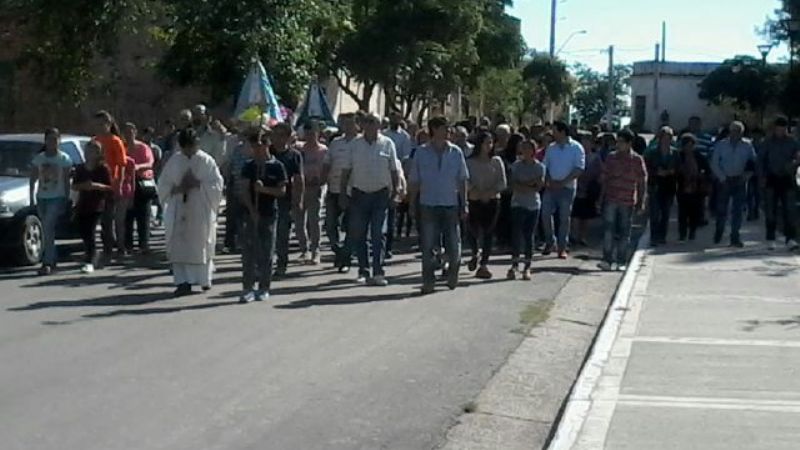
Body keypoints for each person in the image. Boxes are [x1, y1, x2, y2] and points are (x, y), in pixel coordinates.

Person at [157, 127, 224, 297]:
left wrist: (198, 184)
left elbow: (217, 185)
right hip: (179, 207)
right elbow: (163, 185)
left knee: (201, 242)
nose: (188, 151)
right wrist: (178, 188)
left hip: (200, 207)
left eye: (191, 147)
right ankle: (182, 281)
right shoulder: (175, 160)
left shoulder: (206, 161)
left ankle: (203, 279)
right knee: (179, 244)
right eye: (185, 147)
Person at [409, 116, 469, 295]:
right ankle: (428, 281)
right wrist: (412, 203)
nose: (448, 131)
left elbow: (462, 179)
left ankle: (452, 273)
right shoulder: (421, 152)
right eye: (444, 128)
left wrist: (464, 203)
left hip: (450, 204)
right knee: (428, 245)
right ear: (434, 129)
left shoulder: (456, 152)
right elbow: (414, 180)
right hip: (428, 204)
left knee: (453, 243)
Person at [340, 112, 400, 286]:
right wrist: (343, 194)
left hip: (381, 194)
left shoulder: (388, 144)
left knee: (378, 233)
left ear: (380, 125)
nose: (370, 125)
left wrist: (396, 192)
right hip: (359, 194)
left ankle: (378, 271)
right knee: (360, 233)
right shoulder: (354, 145)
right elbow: (346, 171)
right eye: (367, 122)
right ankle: (363, 270)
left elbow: (394, 171)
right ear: (363, 125)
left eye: (374, 122)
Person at [238, 129, 287, 303]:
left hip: (269, 213)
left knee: (266, 252)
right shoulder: (249, 166)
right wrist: (252, 210)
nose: (258, 149)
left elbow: (282, 191)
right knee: (249, 253)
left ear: (268, 145)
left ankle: (264, 287)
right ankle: (247, 288)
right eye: (254, 146)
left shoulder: (277, 166)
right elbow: (243, 190)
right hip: (251, 214)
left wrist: (263, 189)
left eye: (261, 145)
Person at [597, 129, 647, 271]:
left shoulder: (637, 160)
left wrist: (641, 201)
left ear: (629, 143)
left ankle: (621, 261)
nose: (618, 145)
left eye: (621, 142)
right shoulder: (611, 158)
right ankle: (607, 259)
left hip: (627, 201)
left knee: (625, 232)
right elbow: (605, 179)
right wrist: (601, 198)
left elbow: (642, 181)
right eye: (617, 142)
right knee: (608, 230)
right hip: (611, 198)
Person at [29, 128, 73, 275]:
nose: (52, 142)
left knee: (48, 227)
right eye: (49, 139)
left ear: (59, 141)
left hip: (57, 197)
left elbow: (67, 181)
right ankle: (52, 259)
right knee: (48, 230)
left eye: (55, 139)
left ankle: (47, 262)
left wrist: (66, 198)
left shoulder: (64, 159)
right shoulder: (39, 158)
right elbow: (33, 178)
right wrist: (31, 197)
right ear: (45, 141)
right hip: (42, 197)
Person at [541, 121, 586, 259]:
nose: (552, 134)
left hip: (567, 188)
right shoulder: (551, 148)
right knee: (545, 214)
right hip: (551, 187)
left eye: (555, 131)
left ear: (562, 132)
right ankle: (550, 241)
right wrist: (549, 180)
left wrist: (563, 182)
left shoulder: (577, 148)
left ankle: (562, 247)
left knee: (564, 218)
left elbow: (579, 168)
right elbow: (545, 166)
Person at [465, 131, 506, 279]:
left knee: (488, 232)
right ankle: (475, 252)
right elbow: (465, 180)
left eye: (491, 143)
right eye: (486, 142)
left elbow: (502, 182)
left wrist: (490, 192)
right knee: (473, 230)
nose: (488, 146)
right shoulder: (470, 162)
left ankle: (484, 264)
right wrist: (474, 191)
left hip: (492, 200)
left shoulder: (496, 161)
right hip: (474, 200)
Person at [709, 121, 757, 247]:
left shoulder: (747, 145)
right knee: (721, 209)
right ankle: (719, 230)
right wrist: (722, 178)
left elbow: (752, 163)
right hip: (724, 180)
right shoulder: (721, 145)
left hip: (740, 180)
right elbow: (714, 163)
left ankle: (735, 236)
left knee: (738, 210)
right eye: (734, 131)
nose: (736, 134)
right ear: (730, 132)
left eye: (739, 131)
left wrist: (746, 176)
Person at [758, 116, 800, 251]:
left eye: (783, 129)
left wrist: (793, 163)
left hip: (787, 178)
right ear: (774, 129)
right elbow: (760, 160)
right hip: (771, 177)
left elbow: (798, 157)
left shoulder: (792, 142)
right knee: (771, 210)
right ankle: (770, 238)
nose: (780, 132)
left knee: (790, 210)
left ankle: (791, 239)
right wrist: (761, 177)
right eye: (778, 129)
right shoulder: (768, 142)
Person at [324, 113, 358, 272]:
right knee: (330, 225)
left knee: (352, 226)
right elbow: (327, 163)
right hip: (334, 189)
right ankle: (338, 250)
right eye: (344, 123)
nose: (347, 126)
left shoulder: (360, 144)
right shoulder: (335, 143)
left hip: (354, 191)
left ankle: (346, 257)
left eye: (351, 123)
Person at [72, 140, 112, 274]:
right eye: (87, 151)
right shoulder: (80, 168)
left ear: (98, 153)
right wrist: (84, 186)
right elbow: (75, 186)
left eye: (92, 151)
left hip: (97, 204)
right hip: (83, 203)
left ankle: (89, 261)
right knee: (81, 229)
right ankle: (94, 252)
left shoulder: (103, 168)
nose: (89, 153)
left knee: (90, 231)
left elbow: (110, 187)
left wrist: (96, 186)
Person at [270, 123, 305, 277]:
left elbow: (299, 179)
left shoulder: (294, 155)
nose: (278, 138)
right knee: (265, 233)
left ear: (287, 137)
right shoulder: (267, 152)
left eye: (281, 135)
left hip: (285, 199)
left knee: (282, 234)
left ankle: (281, 264)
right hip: (266, 198)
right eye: (275, 134)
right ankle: (265, 263)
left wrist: (298, 200)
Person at [508, 140, 545, 280]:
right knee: (516, 234)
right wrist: (529, 183)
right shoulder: (516, 166)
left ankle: (527, 266)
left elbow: (539, 186)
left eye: (529, 149)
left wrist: (524, 185)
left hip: (533, 204)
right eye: (523, 148)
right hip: (517, 203)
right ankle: (514, 264)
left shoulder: (540, 167)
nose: (525, 151)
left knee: (529, 235)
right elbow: (513, 184)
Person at [93, 111, 127, 259]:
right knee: (99, 217)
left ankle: (116, 247)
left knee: (109, 217)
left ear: (109, 124)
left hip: (111, 183)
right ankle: (107, 245)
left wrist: (119, 183)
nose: (100, 127)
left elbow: (122, 164)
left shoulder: (115, 141)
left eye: (103, 124)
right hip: (97, 183)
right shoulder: (95, 141)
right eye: (97, 124)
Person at [295, 120, 328, 265]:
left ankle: (316, 250)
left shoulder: (323, 150)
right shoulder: (299, 149)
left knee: (314, 220)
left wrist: (321, 182)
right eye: (307, 133)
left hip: (316, 187)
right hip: (300, 188)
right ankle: (304, 249)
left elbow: (326, 169)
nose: (309, 136)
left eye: (312, 133)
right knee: (298, 221)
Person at [123, 122, 156, 254]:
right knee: (127, 215)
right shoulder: (123, 148)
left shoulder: (143, 147)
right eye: (126, 132)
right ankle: (128, 244)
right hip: (127, 183)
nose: (128, 134)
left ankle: (144, 244)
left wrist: (137, 167)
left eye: (131, 131)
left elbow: (150, 163)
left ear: (135, 132)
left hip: (142, 182)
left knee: (143, 215)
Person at [644, 126, 678, 246]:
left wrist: (671, 172)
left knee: (665, 213)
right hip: (655, 185)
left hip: (669, 186)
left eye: (668, 138)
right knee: (654, 213)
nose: (666, 140)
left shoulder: (675, 153)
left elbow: (678, 169)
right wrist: (656, 172)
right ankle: (654, 237)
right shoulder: (652, 152)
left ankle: (662, 236)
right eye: (663, 138)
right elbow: (645, 167)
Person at [675, 133, 711, 242]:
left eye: (691, 145)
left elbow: (708, 171)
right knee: (682, 213)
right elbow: (674, 170)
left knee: (694, 212)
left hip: (697, 188)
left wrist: (702, 175)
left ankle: (692, 232)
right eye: (686, 145)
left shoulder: (699, 157)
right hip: (682, 188)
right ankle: (682, 234)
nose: (689, 148)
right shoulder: (678, 156)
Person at [571, 131, 603, 246]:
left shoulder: (596, 158)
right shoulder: (575, 155)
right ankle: (574, 235)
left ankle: (583, 236)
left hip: (589, 190)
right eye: (583, 142)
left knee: (586, 215)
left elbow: (600, 174)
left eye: (587, 142)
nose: (585, 145)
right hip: (576, 187)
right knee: (575, 214)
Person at [192, 104, 228, 169]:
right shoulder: (186, 134)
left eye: (200, 114)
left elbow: (219, 158)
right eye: (194, 114)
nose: (196, 117)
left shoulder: (215, 136)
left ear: (207, 117)